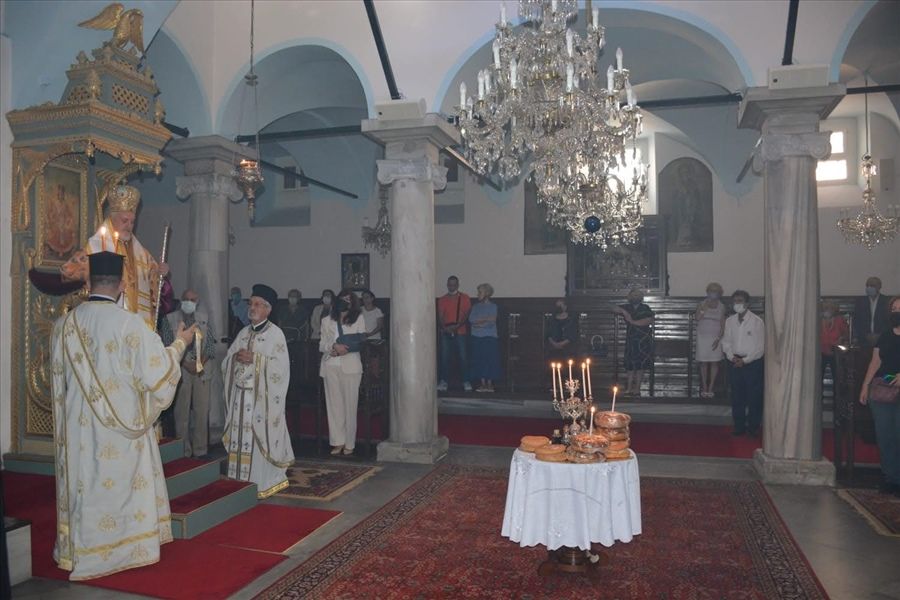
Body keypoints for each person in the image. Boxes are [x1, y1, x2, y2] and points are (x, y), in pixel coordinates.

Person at [50, 252, 196, 580]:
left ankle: (81, 550)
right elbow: (158, 376)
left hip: (78, 430)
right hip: (121, 431)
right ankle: (123, 547)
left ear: (89, 283)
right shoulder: (130, 324)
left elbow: (58, 384)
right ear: (121, 285)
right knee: (117, 487)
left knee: (86, 485)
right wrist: (180, 344)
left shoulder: (64, 325)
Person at [60, 184, 174, 330]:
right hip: (107, 323)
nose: (129, 226)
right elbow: (68, 274)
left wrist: (160, 275)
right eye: (124, 220)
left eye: (132, 222)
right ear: (111, 219)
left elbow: (159, 294)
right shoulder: (95, 246)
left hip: (136, 326)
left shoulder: (141, 253)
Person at [222, 284, 295, 498]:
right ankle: (238, 483)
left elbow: (281, 369)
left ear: (267, 309)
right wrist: (234, 359)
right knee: (240, 439)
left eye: (257, 304)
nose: (251, 308)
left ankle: (262, 482)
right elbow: (227, 361)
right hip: (240, 399)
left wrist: (255, 359)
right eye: (250, 303)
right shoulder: (243, 333)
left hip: (261, 400)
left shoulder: (275, 334)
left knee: (258, 439)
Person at [160, 289, 217, 458]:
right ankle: (183, 451)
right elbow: (167, 345)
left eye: (193, 300)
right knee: (181, 413)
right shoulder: (169, 319)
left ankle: (201, 450)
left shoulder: (204, 318)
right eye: (186, 299)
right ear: (181, 300)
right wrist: (186, 364)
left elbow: (210, 346)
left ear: (197, 302)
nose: (189, 302)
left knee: (202, 411)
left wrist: (199, 364)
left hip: (202, 371)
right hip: (181, 370)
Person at [859, 296, 900, 496]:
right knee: (885, 436)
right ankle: (892, 478)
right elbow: (875, 362)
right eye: (894, 308)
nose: (897, 311)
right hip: (883, 389)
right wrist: (865, 386)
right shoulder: (885, 335)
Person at [320, 289, 367, 456]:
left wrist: (346, 348)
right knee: (334, 406)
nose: (345, 301)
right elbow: (321, 344)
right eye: (343, 298)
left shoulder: (358, 318)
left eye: (349, 299)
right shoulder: (326, 320)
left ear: (353, 302)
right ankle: (337, 441)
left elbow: (362, 341)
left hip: (351, 365)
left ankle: (349, 443)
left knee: (350, 405)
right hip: (330, 365)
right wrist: (332, 346)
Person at [721, 290, 765, 437]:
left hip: (752, 363)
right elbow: (726, 342)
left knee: (754, 397)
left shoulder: (757, 322)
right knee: (737, 396)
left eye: (740, 301)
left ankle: (753, 427)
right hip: (734, 361)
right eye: (734, 301)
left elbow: (760, 348)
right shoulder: (730, 321)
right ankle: (739, 426)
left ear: (747, 303)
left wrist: (745, 360)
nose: (737, 304)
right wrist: (731, 356)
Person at [614, 288, 654, 397]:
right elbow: (613, 308)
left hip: (643, 340)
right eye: (633, 295)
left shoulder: (645, 307)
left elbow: (648, 320)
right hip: (631, 339)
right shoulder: (627, 307)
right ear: (629, 297)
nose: (635, 297)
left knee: (641, 365)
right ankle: (629, 388)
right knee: (630, 364)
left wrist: (632, 321)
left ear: (641, 297)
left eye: (637, 295)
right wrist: (624, 311)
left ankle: (637, 388)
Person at [437, 275, 472, 392]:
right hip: (446, 331)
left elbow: (466, 315)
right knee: (444, 357)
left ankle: (466, 381)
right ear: (447, 285)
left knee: (463, 357)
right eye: (450, 284)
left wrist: (457, 326)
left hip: (460, 331)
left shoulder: (465, 298)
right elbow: (440, 316)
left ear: (457, 285)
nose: (451, 286)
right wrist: (445, 328)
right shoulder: (442, 299)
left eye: (454, 284)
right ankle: (444, 381)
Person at [695, 282, 726, 398]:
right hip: (702, 337)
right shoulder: (702, 304)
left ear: (719, 293)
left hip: (715, 337)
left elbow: (723, 324)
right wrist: (704, 309)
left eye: (716, 291)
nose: (713, 293)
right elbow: (697, 318)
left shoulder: (722, 306)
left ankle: (711, 387)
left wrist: (718, 339)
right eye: (711, 291)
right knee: (703, 362)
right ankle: (704, 387)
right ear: (707, 292)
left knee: (714, 362)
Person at [469, 283, 500, 393]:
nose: (478, 294)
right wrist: (485, 319)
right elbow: (472, 320)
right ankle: (482, 384)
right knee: (480, 360)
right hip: (477, 337)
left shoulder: (493, 306)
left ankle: (490, 385)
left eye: (480, 292)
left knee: (490, 360)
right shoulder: (475, 307)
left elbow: (491, 322)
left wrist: (479, 323)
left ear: (486, 293)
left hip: (489, 337)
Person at [277, 288, 310, 391]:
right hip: (285, 341)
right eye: (290, 296)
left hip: (298, 341)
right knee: (284, 364)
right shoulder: (282, 309)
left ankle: (298, 386)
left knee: (298, 365)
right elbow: (279, 324)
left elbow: (306, 326)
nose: (292, 298)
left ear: (298, 298)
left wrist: (305, 339)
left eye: (295, 296)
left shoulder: (303, 310)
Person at [820, 299, 849, 396]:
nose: (828, 310)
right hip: (821, 353)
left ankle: (838, 401)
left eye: (830, 308)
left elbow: (846, 334)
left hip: (835, 353)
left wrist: (842, 339)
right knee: (818, 378)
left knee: (838, 378)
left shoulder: (839, 320)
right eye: (825, 308)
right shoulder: (818, 320)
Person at [854, 276, 891, 347]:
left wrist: (880, 335)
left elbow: (889, 321)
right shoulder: (860, 302)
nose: (869, 288)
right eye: (867, 285)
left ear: (879, 287)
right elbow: (857, 320)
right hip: (864, 339)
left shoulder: (887, 301)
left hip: (883, 339)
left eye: (872, 285)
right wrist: (865, 335)